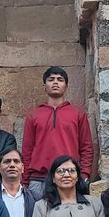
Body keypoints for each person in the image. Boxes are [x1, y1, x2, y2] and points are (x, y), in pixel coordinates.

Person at [21, 66, 94, 198]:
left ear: (66, 86)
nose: (55, 82)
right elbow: (27, 151)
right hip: (38, 178)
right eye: (51, 79)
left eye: (60, 80)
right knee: (37, 211)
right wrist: (25, 180)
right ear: (45, 86)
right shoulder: (34, 115)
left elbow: (86, 147)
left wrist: (84, 175)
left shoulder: (77, 114)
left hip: (69, 177)